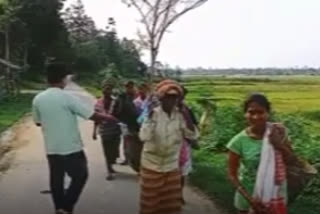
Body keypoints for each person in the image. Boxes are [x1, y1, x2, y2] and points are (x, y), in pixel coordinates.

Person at [32, 63, 117, 214]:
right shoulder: (67, 98)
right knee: (81, 175)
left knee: (56, 179)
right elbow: (92, 115)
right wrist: (110, 118)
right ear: (63, 79)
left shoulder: (38, 99)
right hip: (71, 147)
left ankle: (59, 207)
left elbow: (38, 122)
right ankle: (66, 206)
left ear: (47, 79)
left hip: (52, 147)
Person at [227, 93, 294, 214]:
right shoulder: (238, 141)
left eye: (260, 112)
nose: (256, 117)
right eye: (251, 112)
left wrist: (279, 145)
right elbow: (232, 175)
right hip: (247, 197)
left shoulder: (279, 132)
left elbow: (292, 160)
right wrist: (250, 200)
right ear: (245, 114)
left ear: (267, 113)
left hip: (276, 193)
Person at [139, 80, 195, 214]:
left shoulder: (180, 115)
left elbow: (192, 135)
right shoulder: (154, 114)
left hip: (171, 166)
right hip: (151, 166)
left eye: (175, 97)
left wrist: (187, 116)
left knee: (170, 205)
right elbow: (144, 137)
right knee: (150, 204)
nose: (171, 100)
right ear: (161, 98)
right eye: (168, 96)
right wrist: (150, 118)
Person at [93, 79, 122, 180]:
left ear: (111, 90)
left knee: (114, 151)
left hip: (116, 130)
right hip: (104, 130)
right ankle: (109, 170)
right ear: (102, 90)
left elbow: (120, 115)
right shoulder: (98, 102)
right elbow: (96, 117)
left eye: (109, 88)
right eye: (105, 88)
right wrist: (94, 131)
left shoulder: (116, 101)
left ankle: (112, 164)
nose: (107, 90)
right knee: (107, 151)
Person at [178, 86, 199, 204]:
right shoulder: (162, 109)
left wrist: (194, 139)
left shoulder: (186, 109)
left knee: (182, 172)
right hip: (167, 145)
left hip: (183, 144)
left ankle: (179, 194)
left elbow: (193, 126)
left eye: (182, 96)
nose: (180, 98)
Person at [117, 80, 139, 165]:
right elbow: (119, 109)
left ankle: (134, 160)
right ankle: (127, 159)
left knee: (135, 142)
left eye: (130, 87)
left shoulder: (137, 96)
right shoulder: (122, 97)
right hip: (126, 123)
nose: (129, 89)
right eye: (127, 87)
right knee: (126, 141)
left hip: (137, 123)